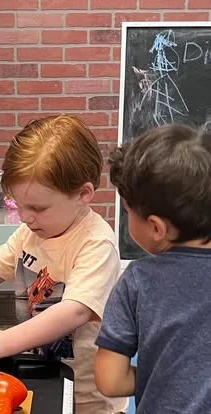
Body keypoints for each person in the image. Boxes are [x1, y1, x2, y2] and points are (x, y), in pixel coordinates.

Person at [0, 115, 128, 413]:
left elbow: (73, 311)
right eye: (18, 204)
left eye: (37, 207)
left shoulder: (96, 243)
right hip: (41, 377)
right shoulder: (30, 232)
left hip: (88, 396)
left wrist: (4, 341)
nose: (25, 216)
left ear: (83, 195)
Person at [94, 124, 211, 413]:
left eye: (127, 212)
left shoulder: (137, 281)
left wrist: (165, 376)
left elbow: (110, 381)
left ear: (156, 227)